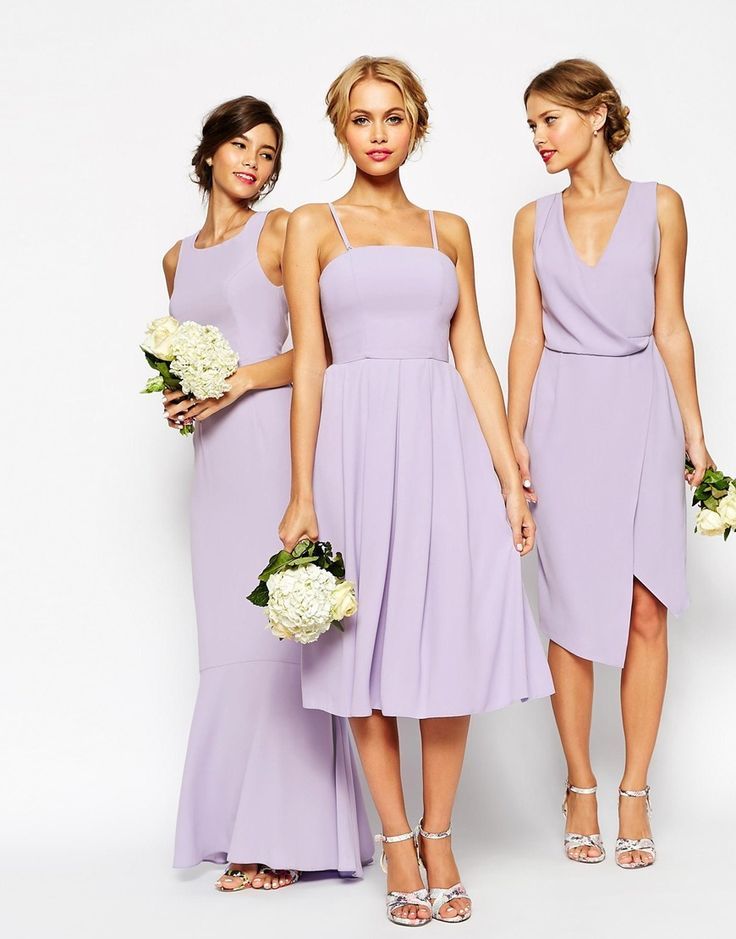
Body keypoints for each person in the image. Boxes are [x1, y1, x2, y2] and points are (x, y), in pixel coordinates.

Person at [278, 56, 553, 925]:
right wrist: (301, 492)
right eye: (361, 119)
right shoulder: (313, 225)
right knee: (364, 649)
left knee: (446, 645)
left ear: (417, 125)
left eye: (393, 118)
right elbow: (310, 363)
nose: (378, 133)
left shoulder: (451, 230)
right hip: (354, 448)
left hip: (447, 446)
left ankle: (441, 832)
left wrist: (511, 474)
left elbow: (472, 354)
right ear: (340, 130)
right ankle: (396, 839)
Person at [162, 95, 372, 891]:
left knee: (279, 639)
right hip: (214, 466)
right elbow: (193, 359)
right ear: (210, 152)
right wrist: (184, 396)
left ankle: (284, 838)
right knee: (228, 643)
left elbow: (320, 349)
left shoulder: (282, 229)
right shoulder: (177, 258)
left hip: (278, 449)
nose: (256, 163)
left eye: (270, 153)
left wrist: (241, 376)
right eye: (242, 146)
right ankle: (234, 827)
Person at [510, 58, 714, 868]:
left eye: (548, 121)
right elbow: (525, 333)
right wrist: (512, 443)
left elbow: (672, 325)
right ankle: (579, 782)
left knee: (644, 607)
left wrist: (697, 432)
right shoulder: (531, 221)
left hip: (641, 411)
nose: (538, 139)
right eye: (529, 127)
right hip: (561, 417)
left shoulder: (663, 206)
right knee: (568, 608)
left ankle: (635, 787)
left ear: (596, 115)